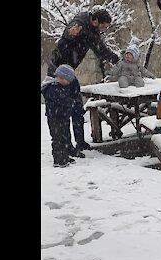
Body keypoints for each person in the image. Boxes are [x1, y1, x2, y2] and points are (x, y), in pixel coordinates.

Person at [46, 9, 121, 157]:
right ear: (95, 21)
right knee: (62, 111)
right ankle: (65, 148)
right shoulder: (80, 22)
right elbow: (71, 30)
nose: (105, 29)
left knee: (77, 108)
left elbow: (100, 50)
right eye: (104, 26)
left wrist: (117, 59)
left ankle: (80, 143)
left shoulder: (93, 33)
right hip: (58, 72)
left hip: (69, 72)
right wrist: (70, 32)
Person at [41, 64, 78, 168]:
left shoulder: (61, 87)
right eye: (68, 80)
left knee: (65, 137)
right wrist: (71, 102)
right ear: (61, 78)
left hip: (63, 117)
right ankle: (58, 159)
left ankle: (64, 156)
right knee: (57, 138)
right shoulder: (52, 87)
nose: (68, 83)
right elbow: (61, 100)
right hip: (55, 118)